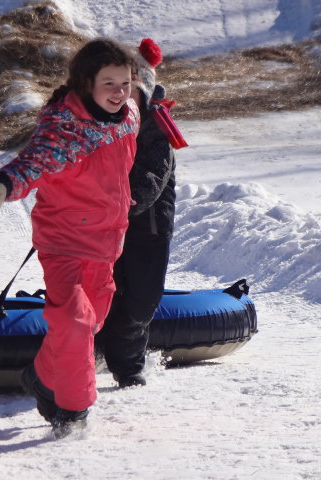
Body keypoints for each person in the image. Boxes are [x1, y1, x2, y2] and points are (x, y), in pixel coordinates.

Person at [0, 38, 140, 438]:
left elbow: (141, 99)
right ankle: (71, 410)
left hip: (107, 240)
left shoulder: (129, 114)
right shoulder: (66, 131)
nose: (119, 93)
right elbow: (32, 163)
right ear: (86, 83)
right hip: (64, 239)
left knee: (92, 320)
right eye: (109, 84)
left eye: (125, 83)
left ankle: (41, 375)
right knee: (73, 321)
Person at [95, 38, 188, 388]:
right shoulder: (100, 119)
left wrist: (118, 204)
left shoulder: (155, 124)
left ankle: (129, 367)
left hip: (147, 225)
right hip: (105, 224)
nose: (122, 96)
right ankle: (95, 355)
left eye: (129, 89)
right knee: (103, 290)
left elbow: (151, 176)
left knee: (140, 299)